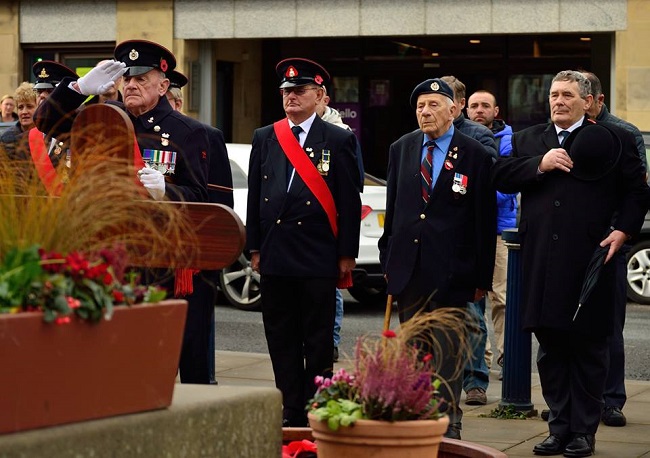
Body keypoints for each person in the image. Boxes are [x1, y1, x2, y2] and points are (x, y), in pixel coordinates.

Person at [34, 40, 213, 384]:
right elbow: (45, 123)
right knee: (108, 366)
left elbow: (205, 202)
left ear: (163, 86)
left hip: (159, 263)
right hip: (107, 259)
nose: (131, 85)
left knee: (159, 366)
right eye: (127, 79)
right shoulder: (99, 121)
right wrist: (78, 88)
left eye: (141, 79)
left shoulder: (190, 134)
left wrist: (167, 192)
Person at [491, 70, 648, 457]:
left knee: (590, 348)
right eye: (554, 95)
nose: (558, 101)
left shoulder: (615, 139)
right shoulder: (529, 139)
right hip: (542, 259)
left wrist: (624, 232)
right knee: (551, 347)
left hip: (592, 257)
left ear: (587, 100)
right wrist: (539, 165)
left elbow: (637, 192)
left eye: (567, 96)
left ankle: (583, 432)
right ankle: (558, 427)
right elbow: (502, 176)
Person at [378, 77, 496, 439]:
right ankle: (416, 419)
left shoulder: (474, 153)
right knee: (413, 351)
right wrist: (388, 261)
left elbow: (483, 219)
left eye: (433, 105)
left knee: (447, 351)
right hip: (409, 270)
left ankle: (447, 423)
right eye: (420, 107)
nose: (425, 112)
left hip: (452, 272)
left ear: (454, 109)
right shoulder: (402, 147)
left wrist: (481, 279)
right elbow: (394, 208)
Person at [246, 57, 361, 427]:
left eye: (299, 91)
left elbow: (348, 200)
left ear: (320, 96)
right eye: (286, 92)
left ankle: (320, 408)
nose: (291, 97)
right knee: (280, 336)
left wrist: (346, 254)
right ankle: (290, 409)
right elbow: (255, 196)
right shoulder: (266, 136)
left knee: (317, 338)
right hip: (277, 254)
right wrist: (255, 247)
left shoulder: (339, 139)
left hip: (317, 255)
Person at [580, 70, 647, 429]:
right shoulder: (564, 134)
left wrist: (620, 231)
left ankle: (611, 400)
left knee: (608, 328)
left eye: (581, 94)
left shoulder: (624, 134)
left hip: (609, 243)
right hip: (571, 245)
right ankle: (574, 400)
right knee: (566, 327)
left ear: (596, 99)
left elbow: (636, 188)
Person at [166, 69, 234, 384]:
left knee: (194, 348)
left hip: (191, 260)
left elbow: (219, 205)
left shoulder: (205, 135)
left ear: (176, 102)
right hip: (152, 256)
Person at [441, 75, 497, 407]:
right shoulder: (418, 137)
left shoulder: (478, 136)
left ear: (457, 104)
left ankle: (475, 380)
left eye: (440, 101)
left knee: (472, 316)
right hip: (432, 243)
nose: (431, 109)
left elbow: (486, 177)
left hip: (464, 242)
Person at [466, 89, 518, 381]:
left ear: (496, 111)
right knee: (472, 304)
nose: (479, 110)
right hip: (470, 232)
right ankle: (479, 362)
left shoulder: (509, 141)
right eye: (474, 106)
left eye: (486, 105)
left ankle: (506, 357)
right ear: (464, 110)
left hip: (499, 229)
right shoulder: (459, 138)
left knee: (502, 298)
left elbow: (508, 184)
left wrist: (474, 194)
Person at [315, 85, 365, 363]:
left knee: (331, 289)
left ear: (324, 99)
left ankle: (331, 340)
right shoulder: (284, 133)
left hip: (328, 224)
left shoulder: (342, 135)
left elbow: (352, 183)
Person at [0, 83, 38, 159]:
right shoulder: (6, 138)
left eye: (29, 107)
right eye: (20, 107)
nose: (24, 112)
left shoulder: (48, 135)